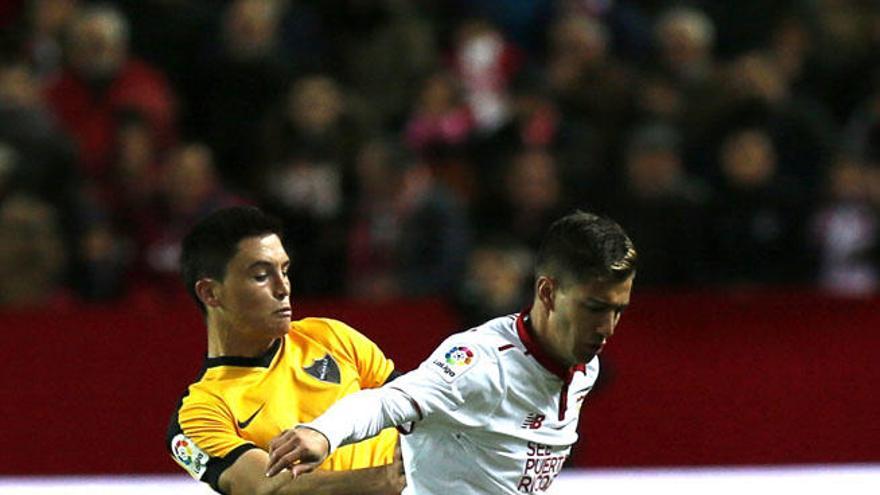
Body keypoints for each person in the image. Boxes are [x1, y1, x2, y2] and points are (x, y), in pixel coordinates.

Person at [266, 210, 638, 494]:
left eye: (618, 310)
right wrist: (322, 433)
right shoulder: (479, 364)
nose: (607, 328)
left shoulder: (585, 369)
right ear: (547, 293)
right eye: (594, 308)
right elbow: (386, 402)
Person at [166, 206, 405, 494]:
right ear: (210, 293)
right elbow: (265, 489)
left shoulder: (331, 337)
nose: (283, 288)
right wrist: (382, 483)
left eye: (285, 270)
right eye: (260, 276)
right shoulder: (199, 413)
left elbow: (413, 409)